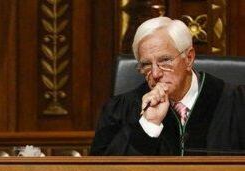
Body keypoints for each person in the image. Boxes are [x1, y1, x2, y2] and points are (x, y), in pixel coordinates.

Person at [91, 17, 245, 155]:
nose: (156, 73)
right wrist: (148, 125)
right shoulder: (119, 110)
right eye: (146, 64)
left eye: (165, 60)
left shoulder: (238, 104)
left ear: (189, 58)